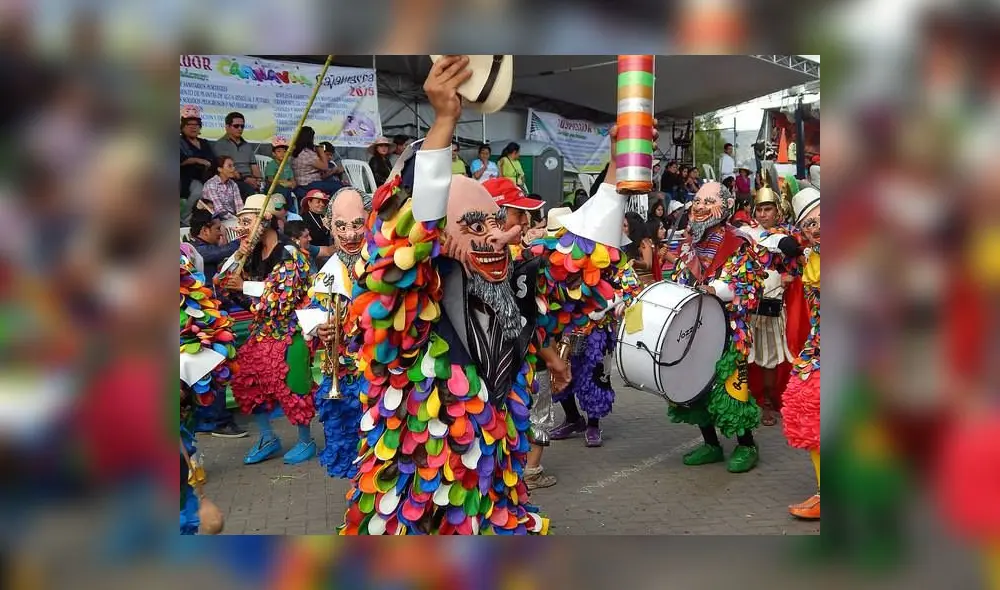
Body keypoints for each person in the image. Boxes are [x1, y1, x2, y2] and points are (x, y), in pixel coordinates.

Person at [340, 56, 630, 535]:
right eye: (473, 226)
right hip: (417, 507)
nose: (493, 236)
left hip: (496, 492)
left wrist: (620, 166)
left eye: (497, 222)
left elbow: (580, 256)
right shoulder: (409, 298)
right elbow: (407, 245)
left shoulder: (515, 280)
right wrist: (445, 120)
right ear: (438, 235)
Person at [661, 181, 765, 473]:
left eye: (709, 201)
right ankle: (711, 444)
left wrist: (717, 289)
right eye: (697, 201)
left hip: (730, 330)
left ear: (727, 206)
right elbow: (679, 276)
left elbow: (749, 285)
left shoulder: (739, 241)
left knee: (733, 389)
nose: (700, 206)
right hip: (696, 328)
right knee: (696, 386)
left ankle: (746, 445)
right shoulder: (687, 242)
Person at [216, 194, 316, 465]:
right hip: (262, 330)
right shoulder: (251, 253)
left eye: (248, 221)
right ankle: (268, 437)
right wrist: (239, 252)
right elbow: (222, 281)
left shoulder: (289, 252)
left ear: (267, 220)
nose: (242, 228)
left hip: (290, 330)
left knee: (293, 385)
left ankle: (306, 440)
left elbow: (281, 299)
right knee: (245, 379)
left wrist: (244, 287)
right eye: (241, 223)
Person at [307, 188, 370, 479]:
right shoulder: (328, 271)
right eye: (341, 226)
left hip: (379, 378)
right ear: (329, 226)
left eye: (358, 224)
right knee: (349, 450)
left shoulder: (383, 265)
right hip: (343, 377)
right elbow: (311, 310)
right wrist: (318, 326)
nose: (350, 234)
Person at [738, 184, 800, 427]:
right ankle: (744, 399)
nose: (763, 214)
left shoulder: (786, 239)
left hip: (773, 305)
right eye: (760, 209)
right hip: (745, 306)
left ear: (777, 212)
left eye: (768, 209)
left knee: (770, 357)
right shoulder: (745, 233)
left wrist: (790, 276)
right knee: (743, 356)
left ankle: (766, 401)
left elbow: (799, 263)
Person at [781, 187, 821, 519]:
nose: (818, 227)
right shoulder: (809, 258)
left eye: (823, 218)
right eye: (809, 224)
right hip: (821, 346)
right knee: (807, 408)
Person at [213, 112, 264, 197]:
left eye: (242, 126)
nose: (240, 129)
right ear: (227, 127)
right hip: (232, 179)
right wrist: (245, 179)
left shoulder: (247, 146)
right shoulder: (220, 145)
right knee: (248, 189)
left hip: (250, 178)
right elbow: (225, 169)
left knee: (274, 189)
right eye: (236, 126)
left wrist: (259, 180)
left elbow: (254, 166)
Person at [188, 208, 240, 292]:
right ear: (205, 230)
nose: (220, 233)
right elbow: (226, 250)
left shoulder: (203, 247)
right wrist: (244, 238)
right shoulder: (195, 250)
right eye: (218, 228)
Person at [179, 105, 215, 224]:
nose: (193, 128)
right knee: (199, 190)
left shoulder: (204, 143)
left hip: (205, 176)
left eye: (196, 125)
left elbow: (212, 160)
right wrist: (195, 160)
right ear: (183, 127)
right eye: (190, 125)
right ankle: (184, 218)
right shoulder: (180, 142)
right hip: (185, 177)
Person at [291, 126, 344, 196]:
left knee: (334, 182)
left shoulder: (296, 151)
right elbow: (325, 167)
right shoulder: (307, 153)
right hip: (309, 184)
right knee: (339, 186)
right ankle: (332, 205)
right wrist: (321, 152)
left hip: (301, 182)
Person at [264, 136, 298, 211]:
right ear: (274, 153)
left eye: (284, 151)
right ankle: (285, 210)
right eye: (279, 151)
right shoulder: (272, 164)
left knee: (293, 191)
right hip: (273, 188)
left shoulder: (287, 165)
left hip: (286, 188)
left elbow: (292, 180)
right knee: (284, 191)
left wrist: (292, 184)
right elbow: (270, 180)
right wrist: (283, 182)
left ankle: (292, 211)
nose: (282, 153)